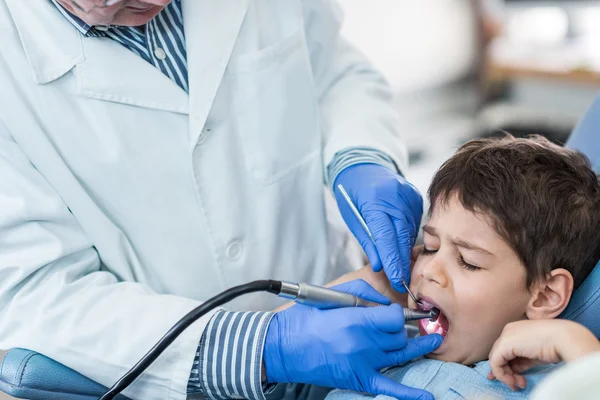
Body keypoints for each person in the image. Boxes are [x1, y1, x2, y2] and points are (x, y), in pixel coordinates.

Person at [0, 0, 442, 399]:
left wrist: (360, 156)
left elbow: (333, 69)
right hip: (172, 380)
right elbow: (35, 293)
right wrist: (264, 345)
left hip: (338, 306)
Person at [326, 135, 600, 399]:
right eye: (431, 246)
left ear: (544, 295)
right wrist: (363, 283)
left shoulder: (548, 387)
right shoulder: (382, 347)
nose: (430, 270)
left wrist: (573, 342)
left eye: (469, 262)